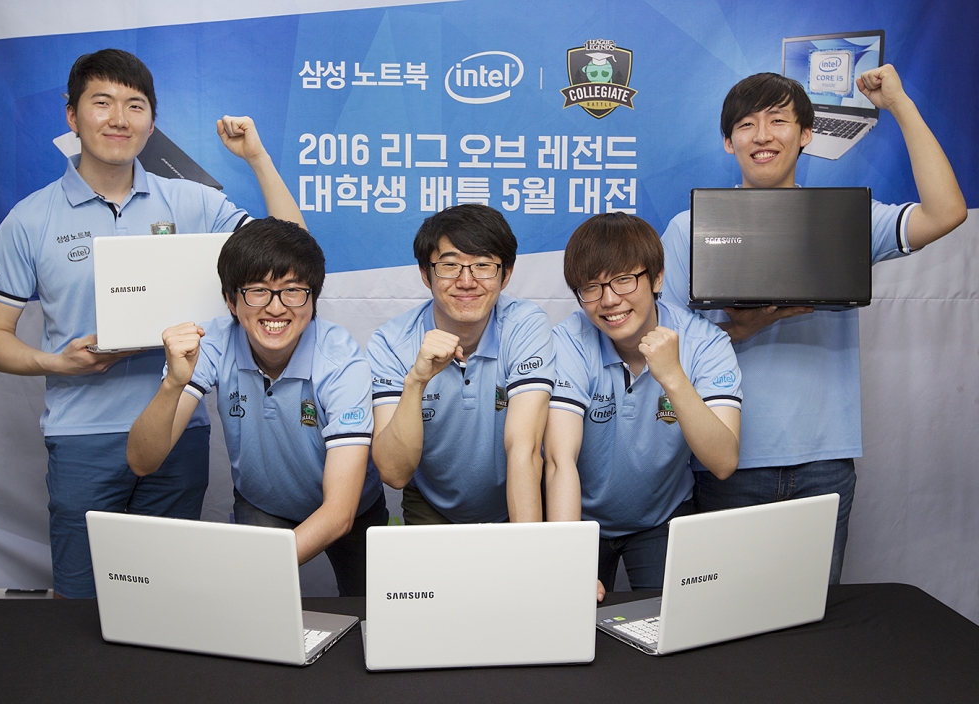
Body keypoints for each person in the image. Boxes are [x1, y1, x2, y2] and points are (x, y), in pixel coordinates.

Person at [0, 48, 304, 598]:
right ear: (72, 116)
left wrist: (257, 158)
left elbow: (296, 255)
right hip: (82, 437)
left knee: (168, 601)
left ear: (152, 122)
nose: (119, 119)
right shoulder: (29, 220)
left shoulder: (195, 203)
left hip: (178, 429)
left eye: (135, 105)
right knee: (80, 604)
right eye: (101, 102)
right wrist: (60, 363)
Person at [659, 67, 967, 583]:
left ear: (806, 134)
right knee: (723, 617)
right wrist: (740, 330)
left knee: (811, 620)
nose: (762, 135)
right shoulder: (690, 228)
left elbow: (947, 212)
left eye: (778, 121)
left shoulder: (844, 220)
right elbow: (660, 348)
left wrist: (899, 104)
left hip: (825, 465)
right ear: (729, 141)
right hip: (726, 463)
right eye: (747, 124)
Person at [127, 218, 385, 596]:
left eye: (292, 290)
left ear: (312, 298)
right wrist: (173, 384)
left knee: (368, 611)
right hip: (263, 502)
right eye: (258, 291)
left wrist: (250, 571)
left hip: (351, 509)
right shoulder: (211, 342)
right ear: (231, 300)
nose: (276, 308)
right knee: (255, 614)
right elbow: (142, 461)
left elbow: (339, 513)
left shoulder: (341, 361)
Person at [544, 213, 742, 596]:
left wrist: (673, 377)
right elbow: (558, 459)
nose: (609, 300)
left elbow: (723, 462)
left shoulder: (705, 343)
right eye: (591, 287)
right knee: (568, 617)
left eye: (624, 280)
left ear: (657, 278)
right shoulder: (567, 342)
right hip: (577, 517)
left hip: (660, 517)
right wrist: (568, 559)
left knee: (671, 622)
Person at [368, 204, 554, 524]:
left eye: (483, 265)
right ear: (425, 274)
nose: (466, 281)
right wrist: (416, 381)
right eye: (450, 265)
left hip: (515, 499)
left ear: (506, 274)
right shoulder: (391, 342)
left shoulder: (525, 325)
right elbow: (394, 474)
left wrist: (526, 546)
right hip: (432, 504)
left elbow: (524, 449)